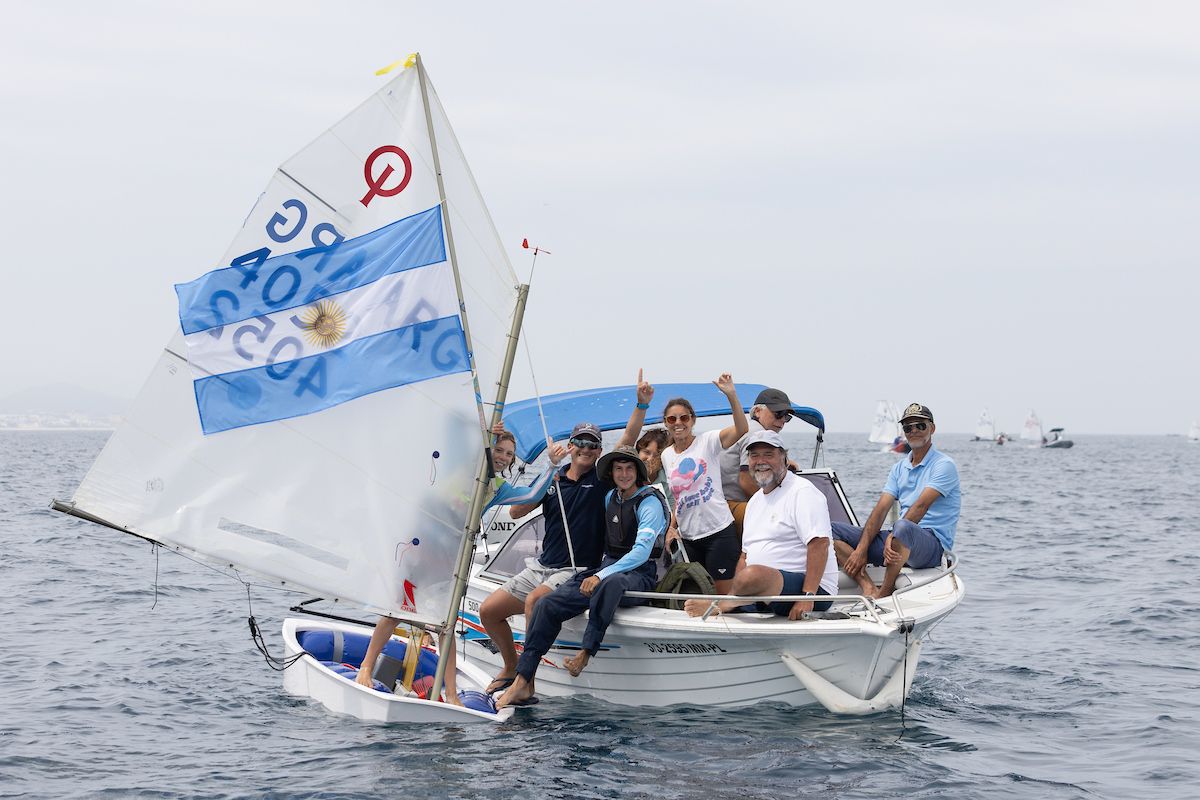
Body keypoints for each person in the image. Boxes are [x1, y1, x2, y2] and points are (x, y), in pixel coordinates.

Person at [354, 424, 564, 701]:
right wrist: (485, 431)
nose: (503, 456)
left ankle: (451, 693)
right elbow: (456, 440)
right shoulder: (463, 469)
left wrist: (550, 467)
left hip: (452, 561)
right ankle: (366, 668)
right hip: (420, 551)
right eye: (498, 450)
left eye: (509, 454)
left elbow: (529, 496)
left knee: (446, 625)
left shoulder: (497, 488)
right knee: (395, 612)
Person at [496, 445, 668, 708]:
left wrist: (601, 575)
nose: (624, 474)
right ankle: (523, 679)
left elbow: (642, 552)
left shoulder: (650, 503)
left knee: (610, 583)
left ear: (638, 472)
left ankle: (586, 653)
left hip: (638, 573)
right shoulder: (611, 497)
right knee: (545, 604)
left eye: (629, 468)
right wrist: (551, 477)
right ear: (611, 473)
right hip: (606, 566)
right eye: (618, 469)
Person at [477, 422, 608, 694]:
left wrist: (641, 406)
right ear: (570, 446)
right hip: (542, 566)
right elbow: (516, 512)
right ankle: (511, 667)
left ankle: (527, 682)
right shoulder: (554, 478)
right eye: (580, 443)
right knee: (489, 611)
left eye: (592, 445)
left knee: (535, 601)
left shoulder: (600, 481)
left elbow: (629, 439)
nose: (585, 449)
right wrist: (548, 472)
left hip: (575, 570)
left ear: (599, 451)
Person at [684, 430, 838, 619]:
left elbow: (819, 544)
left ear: (785, 458)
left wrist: (807, 596)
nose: (760, 461)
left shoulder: (802, 491)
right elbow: (744, 556)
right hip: (764, 594)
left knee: (752, 575)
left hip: (810, 589)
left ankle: (724, 604)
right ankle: (731, 603)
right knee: (746, 573)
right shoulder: (755, 501)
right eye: (754, 455)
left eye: (768, 454)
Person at [832, 403, 960, 599]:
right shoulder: (899, 468)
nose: (914, 430)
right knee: (828, 529)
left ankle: (884, 592)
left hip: (932, 545)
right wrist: (861, 550)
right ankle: (867, 586)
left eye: (920, 425)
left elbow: (921, 506)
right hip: (900, 537)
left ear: (932, 429)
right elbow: (881, 508)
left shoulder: (944, 465)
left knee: (902, 527)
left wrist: (893, 536)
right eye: (908, 427)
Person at [659, 374, 748, 593]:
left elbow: (741, 429)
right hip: (689, 538)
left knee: (723, 596)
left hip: (718, 532)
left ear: (692, 420)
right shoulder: (666, 455)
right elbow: (679, 500)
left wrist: (731, 395)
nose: (678, 423)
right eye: (672, 419)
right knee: (698, 594)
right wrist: (671, 528)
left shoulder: (707, 442)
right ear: (666, 423)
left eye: (684, 418)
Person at [720, 387, 799, 536]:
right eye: (778, 414)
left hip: (726, 502)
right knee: (786, 523)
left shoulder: (752, 430)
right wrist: (775, 505)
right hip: (729, 504)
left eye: (786, 416)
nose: (782, 420)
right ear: (757, 412)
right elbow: (746, 481)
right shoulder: (757, 433)